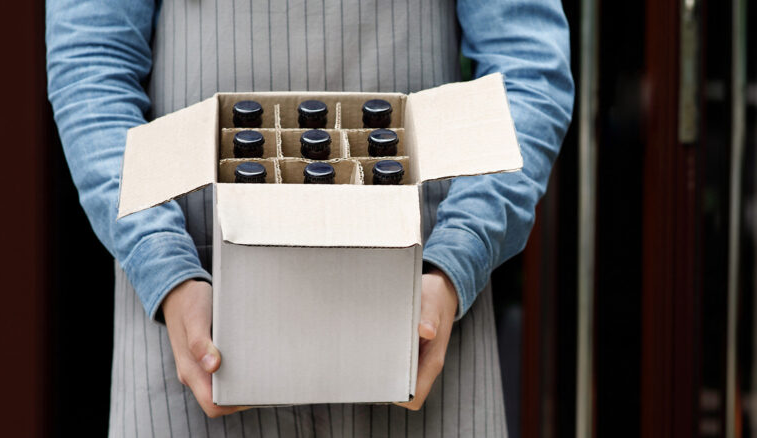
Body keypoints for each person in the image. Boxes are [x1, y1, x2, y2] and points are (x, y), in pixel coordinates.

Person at [46, 0, 573, 436]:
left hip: (424, 320)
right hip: (193, 331)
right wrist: (165, 266)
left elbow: (527, 68)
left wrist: (457, 257)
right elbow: (92, 67)